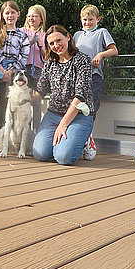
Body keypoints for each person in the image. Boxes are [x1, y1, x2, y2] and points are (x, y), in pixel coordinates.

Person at [33, 25, 94, 165]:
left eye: (58, 40)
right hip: (53, 114)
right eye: (51, 43)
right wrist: (19, 96)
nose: (56, 45)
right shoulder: (50, 63)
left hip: (78, 115)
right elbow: (40, 90)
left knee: (64, 157)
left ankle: (86, 140)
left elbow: (81, 96)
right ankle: (68, 141)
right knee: (40, 153)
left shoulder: (82, 60)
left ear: (68, 37)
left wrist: (63, 124)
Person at [73, 4, 118, 160]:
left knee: (91, 110)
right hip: (77, 79)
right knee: (76, 108)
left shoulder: (102, 32)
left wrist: (101, 54)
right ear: (81, 20)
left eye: (91, 20)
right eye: (85, 20)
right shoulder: (77, 35)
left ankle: (88, 142)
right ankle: (77, 141)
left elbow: (114, 50)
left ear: (97, 19)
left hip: (94, 77)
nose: (87, 23)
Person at [0, 1, 29, 130]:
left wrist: (10, 72)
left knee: (17, 104)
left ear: (18, 14)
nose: (10, 15)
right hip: (0, 73)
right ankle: (3, 132)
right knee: (2, 103)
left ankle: (16, 134)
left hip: (16, 75)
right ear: (3, 15)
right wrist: (2, 71)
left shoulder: (22, 35)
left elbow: (24, 56)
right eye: (7, 13)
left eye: (12, 12)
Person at [20, 4, 48, 130]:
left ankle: (36, 131)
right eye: (29, 16)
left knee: (36, 103)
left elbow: (47, 57)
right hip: (24, 70)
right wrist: (31, 41)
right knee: (23, 102)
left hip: (38, 71)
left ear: (41, 18)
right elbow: (20, 48)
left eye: (35, 16)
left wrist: (41, 46)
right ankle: (24, 131)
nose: (31, 18)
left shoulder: (46, 35)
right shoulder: (22, 31)